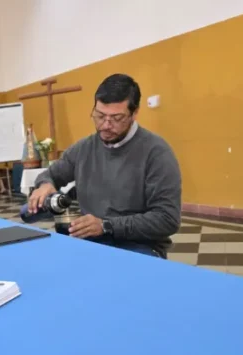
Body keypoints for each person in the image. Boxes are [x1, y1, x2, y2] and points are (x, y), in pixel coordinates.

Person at [27, 74, 182, 258]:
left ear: (134, 113)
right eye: (99, 116)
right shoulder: (83, 148)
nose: (106, 125)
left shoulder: (156, 152)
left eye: (117, 118)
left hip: (140, 247)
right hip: (93, 242)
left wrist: (105, 225)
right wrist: (45, 184)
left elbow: (167, 219)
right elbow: (50, 175)